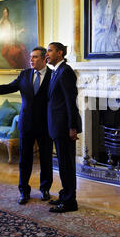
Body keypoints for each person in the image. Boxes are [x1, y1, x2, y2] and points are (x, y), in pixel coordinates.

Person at [0, 47, 53, 205]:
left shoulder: (53, 75)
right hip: (26, 124)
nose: (30, 60)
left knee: (46, 159)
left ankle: (45, 189)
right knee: (24, 160)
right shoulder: (24, 74)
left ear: (44, 58)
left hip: (46, 124)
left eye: (34, 57)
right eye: (30, 57)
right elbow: (9, 87)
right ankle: (24, 191)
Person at [46, 42, 82, 213]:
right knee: (62, 164)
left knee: (67, 165)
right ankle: (64, 194)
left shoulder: (66, 71)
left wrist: (72, 127)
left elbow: (70, 102)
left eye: (50, 51)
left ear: (60, 53)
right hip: (57, 126)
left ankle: (69, 202)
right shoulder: (56, 71)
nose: (47, 54)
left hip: (64, 128)